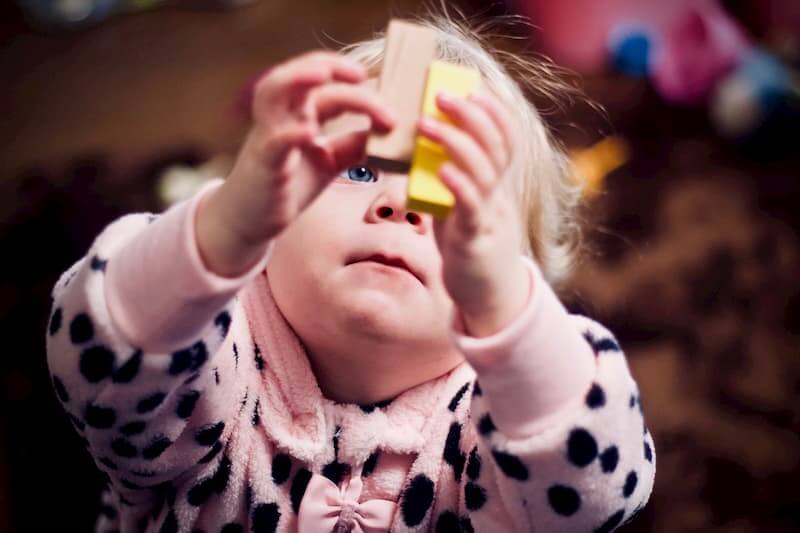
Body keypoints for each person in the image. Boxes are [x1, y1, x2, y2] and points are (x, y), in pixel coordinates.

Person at [45, 13, 655, 533]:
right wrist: (225, 228)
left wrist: (511, 318)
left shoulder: (494, 430)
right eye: (359, 171)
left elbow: (592, 501)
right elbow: (99, 357)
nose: (400, 205)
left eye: (451, 197)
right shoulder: (211, 358)